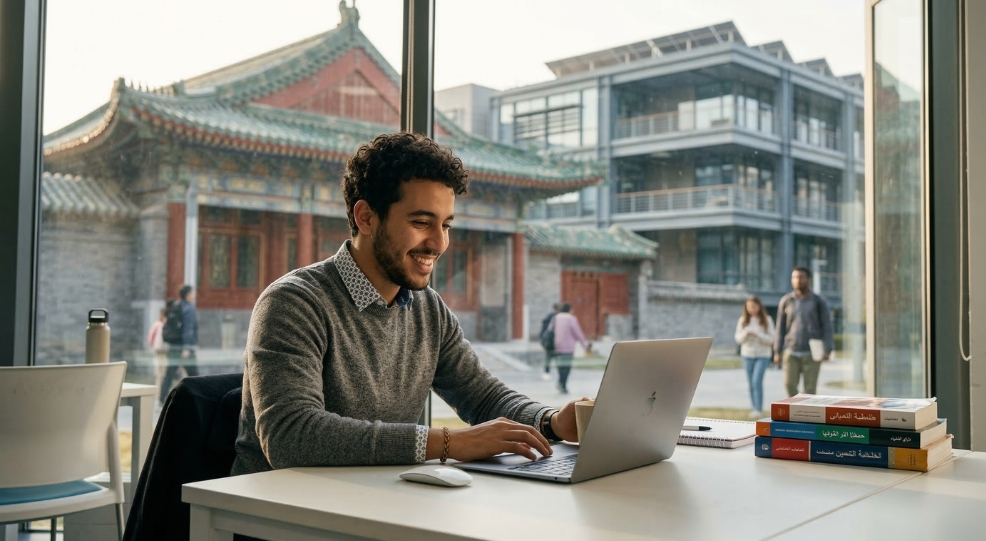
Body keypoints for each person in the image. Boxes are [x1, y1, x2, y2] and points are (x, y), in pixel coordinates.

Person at [231, 133, 587, 476]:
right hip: (278, 516)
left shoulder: (427, 309)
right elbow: (291, 437)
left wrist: (552, 421)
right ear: (366, 217)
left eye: (445, 225)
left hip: (380, 503)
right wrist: (448, 443)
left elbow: (482, 396)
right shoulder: (293, 302)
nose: (438, 243)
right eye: (421, 222)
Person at [773, 266, 834, 397]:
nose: (797, 280)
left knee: (810, 390)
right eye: (794, 277)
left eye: (801, 277)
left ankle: (807, 416)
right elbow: (780, 328)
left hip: (812, 353)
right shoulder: (787, 301)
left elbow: (827, 326)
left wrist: (827, 349)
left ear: (808, 280)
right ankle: (795, 412)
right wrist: (777, 351)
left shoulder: (818, 301)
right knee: (789, 385)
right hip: (791, 351)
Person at [735, 295, 774, 419]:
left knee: (757, 381)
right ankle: (753, 408)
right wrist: (745, 335)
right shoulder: (742, 320)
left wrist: (758, 335)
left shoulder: (767, 320)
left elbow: (771, 339)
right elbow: (737, 338)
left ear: (759, 306)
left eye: (754, 306)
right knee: (751, 383)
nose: (752, 309)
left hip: (762, 355)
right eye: (749, 307)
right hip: (747, 355)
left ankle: (758, 408)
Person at [160, 284, 200, 403]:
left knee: (170, 373)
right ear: (188, 295)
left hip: (174, 346)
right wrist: (188, 347)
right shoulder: (189, 308)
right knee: (194, 374)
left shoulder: (176, 305)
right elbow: (188, 329)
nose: (194, 295)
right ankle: (200, 397)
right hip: (184, 347)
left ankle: (161, 398)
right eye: (192, 293)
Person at [546, 302, 591, 394]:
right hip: (568, 347)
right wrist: (585, 345)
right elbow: (577, 333)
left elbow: (550, 329)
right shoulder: (571, 319)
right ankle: (563, 385)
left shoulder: (556, 317)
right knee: (566, 366)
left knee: (560, 366)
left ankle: (560, 382)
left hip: (556, 345)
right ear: (570, 310)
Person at [146, 307, 168, 401]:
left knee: (161, 374)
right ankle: (159, 395)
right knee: (160, 374)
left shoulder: (157, 325)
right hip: (161, 352)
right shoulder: (160, 325)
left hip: (161, 351)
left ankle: (159, 394)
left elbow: (150, 338)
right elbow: (151, 338)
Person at [539, 303, 560, 381]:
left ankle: (546, 372)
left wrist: (542, 339)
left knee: (548, 357)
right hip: (552, 340)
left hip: (547, 340)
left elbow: (543, 329)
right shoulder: (554, 317)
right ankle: (557, 374)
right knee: (556, 358)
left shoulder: (548, 316)